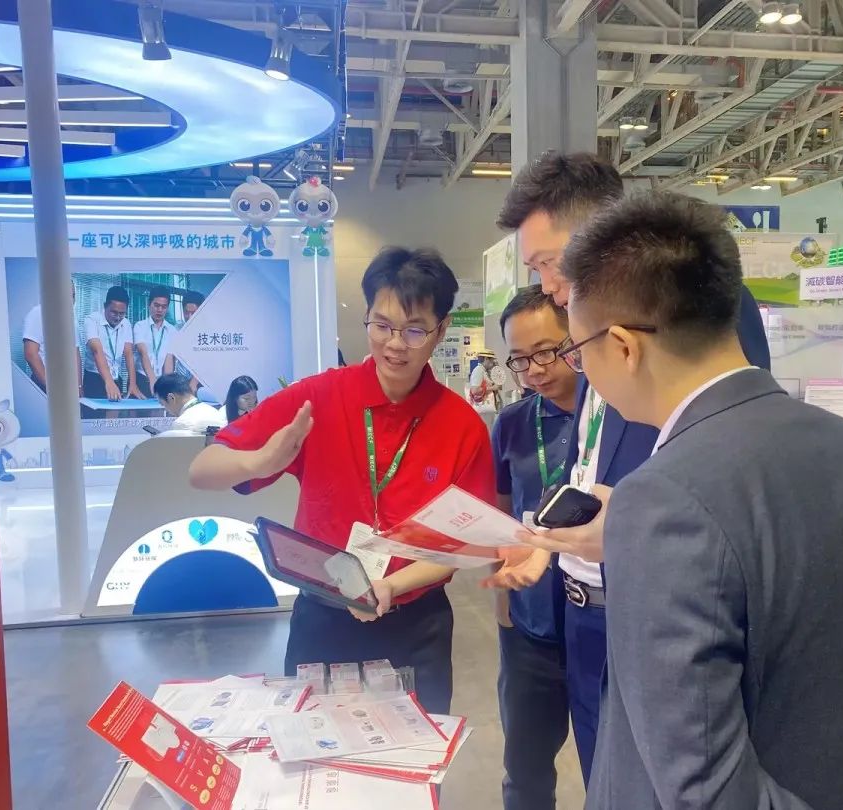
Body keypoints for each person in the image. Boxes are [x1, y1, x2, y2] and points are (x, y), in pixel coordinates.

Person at [559, 191, 843, 810]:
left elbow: (704, 786)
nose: (580, 369)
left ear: (622, 346)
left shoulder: (662, 500)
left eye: (576, 350)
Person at [495, 151, 772, 786]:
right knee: (606, 778)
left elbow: (731, 446)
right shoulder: (589, 328)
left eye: (547, 263)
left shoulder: (690, 304)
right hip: (584, 611)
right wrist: (546, 540)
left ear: (599, 231)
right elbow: (587, 455)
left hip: (655, 606)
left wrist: (635, 523)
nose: (547, 285)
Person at [188, 247, 496, 714]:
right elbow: (201, 471)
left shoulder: (461, 425)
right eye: (382, 325)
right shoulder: (318, 398)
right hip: (322, 619)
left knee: (416, 751)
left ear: (441, 329)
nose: (395, 344)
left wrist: (391, 586)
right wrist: (260, 461)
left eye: (414, 330)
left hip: (416, 624)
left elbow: (462, 544)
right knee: (316, 746)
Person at [487, 286, 578, 810]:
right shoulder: (512, 424)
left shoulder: (615, 416)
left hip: (602, 627)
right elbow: (501, 514)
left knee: (610, 765)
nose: (534, 371)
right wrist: (503, 607)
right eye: (519, 359)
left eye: (546, 351)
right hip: (530, 626)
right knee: (524, 769)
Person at [82, 285, 141, 406]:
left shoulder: (126, 324)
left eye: (122, 313)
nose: (118, 317)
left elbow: (128, 353)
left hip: (115, 378)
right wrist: (108, 382)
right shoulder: (91, 320)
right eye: (114, 312)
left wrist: (133, 383)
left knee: (114, 414)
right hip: (94, 378)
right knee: (93, 415)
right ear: (105, 306)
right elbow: (97, 351)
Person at [22, 279, 81, 394]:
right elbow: (30, 354)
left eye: (73, 296)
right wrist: (53, 387)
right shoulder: (38, 313)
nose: (71, 300)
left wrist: (79, 386)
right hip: (44, 383)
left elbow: (75, 354)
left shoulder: (72, 320)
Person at [133, 286, 178, 397]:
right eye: (156, 305)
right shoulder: (140, 326)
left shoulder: (172, 330)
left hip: (161, 381)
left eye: (164, 307)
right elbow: (143, 353)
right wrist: (152, 380)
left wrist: (166, 385)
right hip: (142, 379)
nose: (160, 310)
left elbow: (169, 358)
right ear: (149, 304)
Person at [154, 373, 227, 434]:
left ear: (171, 398)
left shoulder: (180, 424)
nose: (166, 410)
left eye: (162, 404)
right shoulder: (213, 412)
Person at [175, 290, 205, 395]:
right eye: (186, 312)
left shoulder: (208, 333)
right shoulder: (177, 329)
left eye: (193, 313)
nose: (189, 316)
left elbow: (207, 360)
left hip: (200, 382)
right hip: (181, 382)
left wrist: (193, 383)